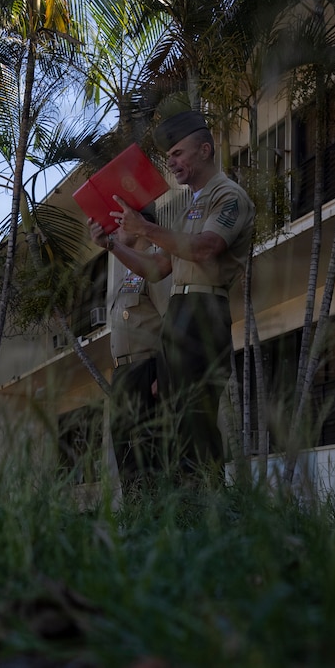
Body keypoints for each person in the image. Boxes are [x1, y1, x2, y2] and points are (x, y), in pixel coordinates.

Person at [104, 111, 254, 480]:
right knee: (174, 427)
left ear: (204, 150)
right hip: (179, 311)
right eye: (169, 156)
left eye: (178, 153)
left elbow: (206, 247)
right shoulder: (189, 205)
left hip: (204, 309)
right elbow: (158, 268)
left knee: (195, 422)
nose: (171, 162)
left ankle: (212, 506)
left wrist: (146, 229)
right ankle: (186, 509)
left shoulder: (229, 195)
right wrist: (111, 244)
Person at [89, 207, 168, 487]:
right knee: (126, 457)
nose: (115, 229)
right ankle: (135, 512)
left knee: (148, 454)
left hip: (147, 371)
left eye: (121, 223)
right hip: (124, 374)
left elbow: (171, 321)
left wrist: (164, 374)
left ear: (138, 225)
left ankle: (155, 511)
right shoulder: (128, 274)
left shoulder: (157, 266)